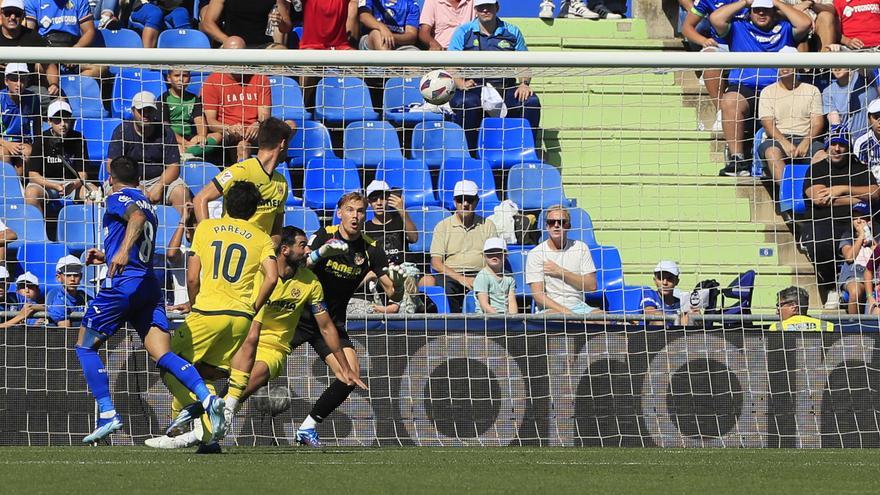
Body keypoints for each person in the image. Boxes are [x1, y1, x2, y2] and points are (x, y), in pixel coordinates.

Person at [145, 226, 364, 450]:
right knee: (196, 373)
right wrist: (195, 305)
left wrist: (345, 367)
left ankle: (195, 432)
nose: (308, 250)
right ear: (285, 250)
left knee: (248, 381)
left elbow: (326, 326)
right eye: (302, 245)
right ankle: (194, 425)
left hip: (273, 348)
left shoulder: (310, 282)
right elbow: (251, 332)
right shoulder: (260, 278)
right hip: (244, 338)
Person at [74, 155, 224, 444]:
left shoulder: (119, 198)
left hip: (124, 286)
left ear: (110, 177)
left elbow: (136, 219)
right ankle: (206, 399)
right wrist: (109, 253)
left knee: (84, 347)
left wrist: (119, 254)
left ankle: (107, 413)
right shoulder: (150, 205)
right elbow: (140, 229)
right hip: (148, 286)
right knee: (163, 355)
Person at [162, 180, 279, 448]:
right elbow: (272, 278)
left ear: (225, 204)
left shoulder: (206, 229)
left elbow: (192, 277)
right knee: (208, 372)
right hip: (240, 318)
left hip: (207, 311)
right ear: (253, 210)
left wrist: (193, 304)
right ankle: (208, 440)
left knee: (167, 361)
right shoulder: (261, 236)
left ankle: (200, 406)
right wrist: (253, 307)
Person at [293, 191, 405, 447]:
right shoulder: (324, 234)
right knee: (260, 371)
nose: (355, 216)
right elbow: (299, 268)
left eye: (360, 211)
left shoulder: (370, 248)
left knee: (349, 376)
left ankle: (308, 426)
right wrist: (321, 252)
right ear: (340, 212)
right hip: (299, 317)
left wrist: (398, 285)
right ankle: (219, 407)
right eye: (351, 210)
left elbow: (391, 291)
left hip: (331, 323)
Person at [710, 0, 812, 176]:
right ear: (750, 11)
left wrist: (776, 2)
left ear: (773, 11)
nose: (761, 14)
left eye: (766, 10)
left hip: (779, 88)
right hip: (746, 86)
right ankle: (737, 160)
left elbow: (805, 23)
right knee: (729, 101)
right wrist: (744, 2)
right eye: (757, 10)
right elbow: (715, 18)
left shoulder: (785, 27)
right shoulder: (738, 27)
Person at [447, 0, 541, 152]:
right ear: (475, 9)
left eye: (489, 6)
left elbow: (524, 63)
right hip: (473, 86)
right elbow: (450, 64)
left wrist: (524, 84)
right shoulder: (463, 32)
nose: (485, 10)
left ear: (497, 7)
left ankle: (526, 152)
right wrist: (460, 83)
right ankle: (468, 154)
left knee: (530, 101)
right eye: (481, 7)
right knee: (465, 102)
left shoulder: (512, 31)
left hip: (505, 86)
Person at [803, 124, 879, 306]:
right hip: (825, 220)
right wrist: (855, 198)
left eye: (842, 145)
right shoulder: (817, 169)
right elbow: (820, 199)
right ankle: (831, 288)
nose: (837, 149)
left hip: (860, 219)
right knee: (820, 243)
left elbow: (875, 193)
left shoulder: (859, 167)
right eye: (833, 144)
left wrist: (842, 189)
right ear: (827, 145)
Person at [193, 117, 291, 241]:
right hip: (231, 247)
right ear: (282, 144)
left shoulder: (281, 183)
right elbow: (200, 199)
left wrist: (269, 250)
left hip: (259, 253)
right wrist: (208, 237)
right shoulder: (240, 171)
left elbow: (276, 230)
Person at [107, 91, 190, 218]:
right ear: (133, 111)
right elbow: (112, 165)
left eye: (149, 110)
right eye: (141, 111)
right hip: (127, 179)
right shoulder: (121, 131)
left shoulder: (166, 132)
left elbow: (174, 166)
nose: (145, 115)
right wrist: (137, 187)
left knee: (180, 192)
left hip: (160, 178)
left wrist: (159, 186)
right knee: (113, 191)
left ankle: (184, 233)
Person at [200, 39, 275, 163]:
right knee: (242, 146)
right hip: (228, 133)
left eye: (239, 54)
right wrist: (230, 128)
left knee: (290, 125)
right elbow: (211, 122)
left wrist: (257, 124)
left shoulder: (260, 79)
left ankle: (274, 162)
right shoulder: (213, 81)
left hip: (255, 132)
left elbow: (265, 115)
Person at [429, 180, 498, 313]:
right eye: (461, 200)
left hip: (481, 274)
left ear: (477, 201)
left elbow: (495, 256)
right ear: (455, 202)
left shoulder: (488, 225)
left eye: (469, 200)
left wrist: (482, 277)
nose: (465, 204)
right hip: (451, 276)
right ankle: (453, 328)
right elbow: (436, 263)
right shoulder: (443, 226)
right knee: (445, 288)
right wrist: (461, 278)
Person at [25, 100, 96, 214]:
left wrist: (73, 185)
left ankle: (88, 230)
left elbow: (83, 173)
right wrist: (54, 186)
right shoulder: (41, 139)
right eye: (58, 120)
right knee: (31, 194)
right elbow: (33, 175)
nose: (63, 124)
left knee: (93, 193)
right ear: (49, 121)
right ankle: (37, 231)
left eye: (66, 119)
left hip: (72, 183)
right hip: (46, 184)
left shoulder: (78, 139)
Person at [526, 204, 598, 314]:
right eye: (551, 222)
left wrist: (561, 272)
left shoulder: (581, 248)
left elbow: (591, 286)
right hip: (551, 309)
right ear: (546, 226)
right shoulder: (536, 254)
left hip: (579, 307)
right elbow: (538, 295)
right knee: (559, 319)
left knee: (603, 318)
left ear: (568, 226)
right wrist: (567, 313)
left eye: (561, 222)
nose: (556, 225)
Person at [757, 65, 825, 181]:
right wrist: (784, 142)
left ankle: (813, 190)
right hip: (777, 139)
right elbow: (768, 124)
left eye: (789, 64)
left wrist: (806, 142)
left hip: (806, 137)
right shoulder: (767, 92)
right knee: (772, 153)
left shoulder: (812, 90)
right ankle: (788, 193)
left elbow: (817, 123)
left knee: (822, 155)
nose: (785, 67)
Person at [0, 0, 60, 108]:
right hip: (1, 91)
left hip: (28, 91)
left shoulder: (33, 37)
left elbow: (49, 65)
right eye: (8, 12)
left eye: (17, 13)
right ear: (1, 14)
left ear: (23, 16)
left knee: (58, 102)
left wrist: (54, 84)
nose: (12, 17)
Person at [160, 69, 221, 162]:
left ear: (189, 79)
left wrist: (201, 136)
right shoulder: (164, 98)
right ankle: (189, 153)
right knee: (176, 146)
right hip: (172, 138)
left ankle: (187, 154)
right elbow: (165, 127)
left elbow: (199, 119)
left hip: (190, 137)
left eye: (184, 76)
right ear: (169, 78)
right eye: (176, 76)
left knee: (218, 136)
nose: (181, 79)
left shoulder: (193, 98)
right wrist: (185, 143)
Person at [364, 180, 417, 266]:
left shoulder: (399, 220)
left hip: (404, 268)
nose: (379, 203)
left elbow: (414, 238)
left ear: (389, 199)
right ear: (369, 202)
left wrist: (403, 211)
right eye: (374, 199)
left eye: (382, 198)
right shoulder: (366, 228)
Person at [200, 0, 291, 48]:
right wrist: (228, 40)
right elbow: (207, 23)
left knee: (281, 53)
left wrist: (280, 22)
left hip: (262, 45)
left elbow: (287, 27)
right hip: (232, 45)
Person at [837, 204, 875, 315]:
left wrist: (869, 237)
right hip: (854, 275)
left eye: (862, 217)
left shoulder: (876, 237)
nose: (858, 221)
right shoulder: (847, 237)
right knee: (854, 291)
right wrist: (861, 236)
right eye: (855, 218)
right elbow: (849, 257)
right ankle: (854, 327)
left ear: (869, 220)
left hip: (874, 277)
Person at [0, 63, 38, 173]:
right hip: (3, 142)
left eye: (22, 80)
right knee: (3, 154)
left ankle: (18, 185)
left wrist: (32, 145)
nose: (18, 84)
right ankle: (7, 186)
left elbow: (37, 129)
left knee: (27, 152)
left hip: (23, 142)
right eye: (14, 80)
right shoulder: (0, 99)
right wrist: (7, 144)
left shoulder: (33, 99)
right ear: (6, 81)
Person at [823, 69, 879, 141]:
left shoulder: (864, 77)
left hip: (872, 140)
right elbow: (836, 123)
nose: (836, 68)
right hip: (848, 142)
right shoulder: (828, 92)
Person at [640, 260, 694, 325]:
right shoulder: (649, 294)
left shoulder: (681, 303)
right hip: (651, 334)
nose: (665, 283)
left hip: (676, 334)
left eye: (669, 278)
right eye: (660, 278)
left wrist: (695, 316)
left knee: (688, 317)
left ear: (677, 281)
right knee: (659, 319)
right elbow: (650, 312)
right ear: (655, 281)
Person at [472, 237, 517, 314]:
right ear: (484, 255)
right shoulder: (482, 276)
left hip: (506, 318)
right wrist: (499, 318)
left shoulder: (509, 277)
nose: (494, 256)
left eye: (499, 253)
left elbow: (512, 302)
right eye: (490, 252)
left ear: (505, 256)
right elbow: (484, 305)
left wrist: (513, 318)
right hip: (486, 318)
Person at [23, 0, 95, 47]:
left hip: (73, 45)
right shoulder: (32, 1)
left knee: (98, 69)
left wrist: (75, 51)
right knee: (40, 67)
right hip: (46, 47)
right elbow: (29, 32)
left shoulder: (80, 1)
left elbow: (89, 31)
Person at [126, 0, 194, 48]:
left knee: (181, 14)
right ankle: (147, 61)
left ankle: (182, 64)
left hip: (172, 8)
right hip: (144, 6)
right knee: (155, 14)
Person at [768, 286, 834, 331]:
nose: (777, 312)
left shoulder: (777, 328)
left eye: (779, 306)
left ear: (793, 307)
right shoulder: (828, 326)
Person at [45, 254, 86, 327]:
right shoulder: (59, 303)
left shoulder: (84, 296)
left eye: (76, 275)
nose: (72, 279)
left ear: (81, 277)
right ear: (58, 277)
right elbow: (67, 334)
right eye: (68, 275)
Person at [854, 99, 880, 176]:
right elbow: (860, 174)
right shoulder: (862, 143)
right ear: (869, 119)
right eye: (876, 117)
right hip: (871, 185)